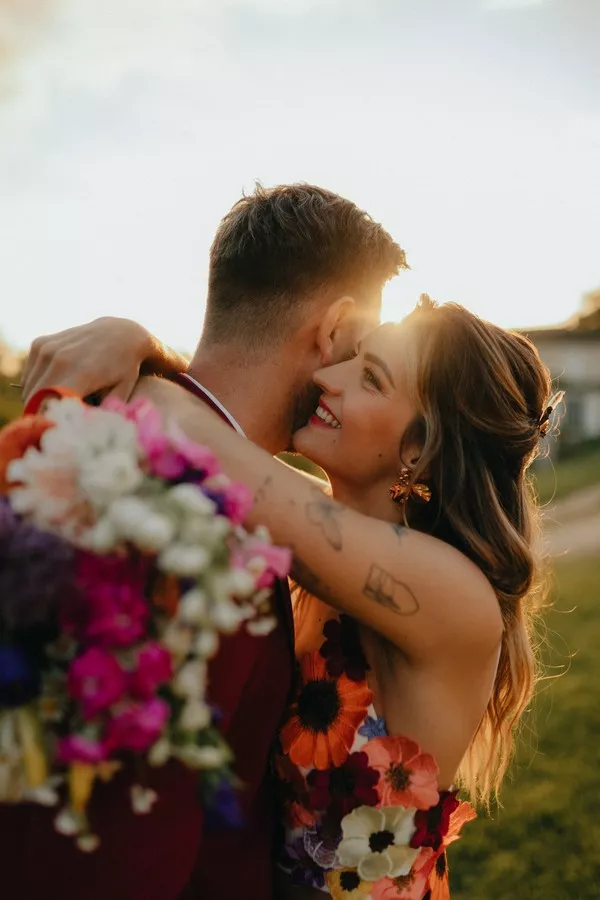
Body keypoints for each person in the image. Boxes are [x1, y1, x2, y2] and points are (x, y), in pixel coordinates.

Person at [26, 294, 557, 898]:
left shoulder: (452, 593)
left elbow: (203, 438)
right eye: (349, 359)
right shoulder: (320, 525)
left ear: (418, 448)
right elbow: (223, 432)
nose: (324, 379)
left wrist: (129, 343)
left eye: (369, 378)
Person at [7, 183, 407, 900]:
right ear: (335, 327)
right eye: (362, 353)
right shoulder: (199, 529)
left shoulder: (98, 438)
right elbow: (115, 857)